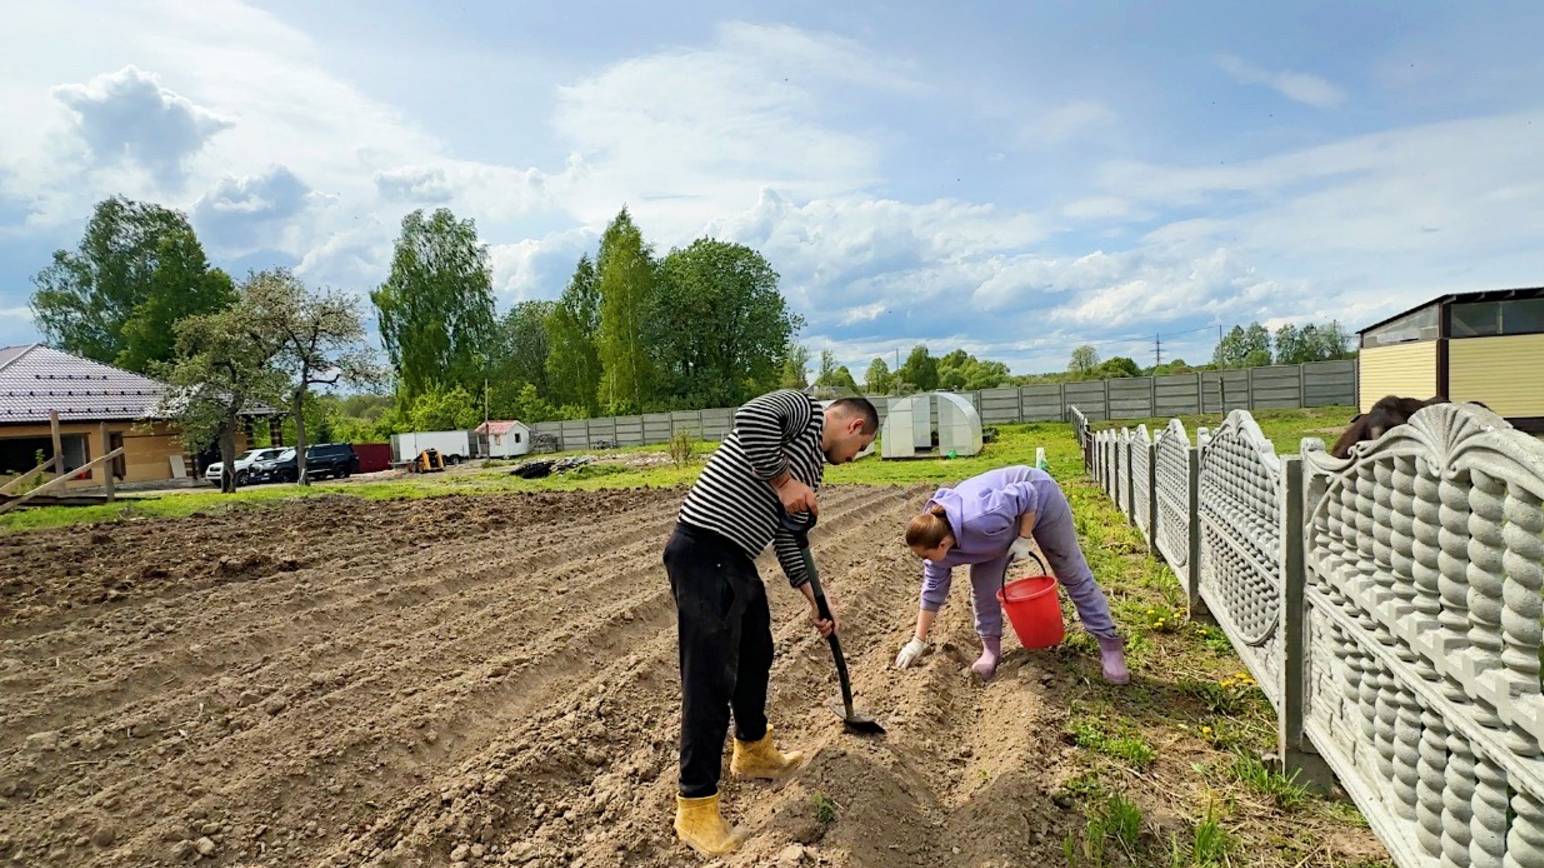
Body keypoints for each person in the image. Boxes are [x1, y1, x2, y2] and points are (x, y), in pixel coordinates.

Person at [664, 390, 878, 856]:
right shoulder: (804, 410)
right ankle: (695, 807)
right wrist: (783, 482)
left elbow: (786, 537)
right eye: (858, 449)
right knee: (708, 680)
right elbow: (750, 417)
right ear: (854, 427)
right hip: (702, 549)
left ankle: (754, 750)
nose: (852, 459)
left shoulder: (812, 468)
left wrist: (816, 600)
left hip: (735, 558)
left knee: (757, 653)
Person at [894, 464, 1129, 685]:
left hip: (1039, 499)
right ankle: (990, 650)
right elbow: (932, 592)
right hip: (997, 532)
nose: (924, 561)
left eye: (925, 555)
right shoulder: (933, 541)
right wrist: (917, 641)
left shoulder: (983, 516)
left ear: (943, 545)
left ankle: (1110, 645)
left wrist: (1024, 538)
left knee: (1070, 570)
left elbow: (1028, 493)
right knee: (983, 587)